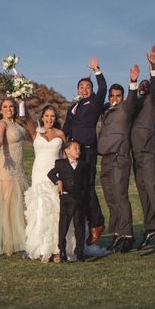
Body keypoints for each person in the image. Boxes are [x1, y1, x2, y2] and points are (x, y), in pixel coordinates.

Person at [62, 57, 107, 245]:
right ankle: (84, 227)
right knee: (78, 189)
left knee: (87, 186)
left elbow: (103, 88)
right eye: (81, 87)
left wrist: (97, 71)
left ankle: (97, 223)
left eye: (87, 87)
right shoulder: (73, 105)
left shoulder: (94, 103)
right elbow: (66, 126)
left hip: (87, 150)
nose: (84, 89)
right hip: (72, 152)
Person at [98, 64, 139, 253]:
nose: (115, 98)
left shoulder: (126, 109)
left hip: (119, 158)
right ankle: (117, 234)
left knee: (121, 197)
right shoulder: (106, 111)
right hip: (105, 159)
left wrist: (132, 81)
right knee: (110, 198)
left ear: (122, 97)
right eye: (112, 96)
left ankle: (128, 235)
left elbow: (132, 99)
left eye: (118, 95)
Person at [131, 46, 155, 251]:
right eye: (142, 85)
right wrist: (134, 82)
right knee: (143, 192)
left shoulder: (152, 102)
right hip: (135, 153)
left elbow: (154, 86)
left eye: (146, 83)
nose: (144, 86)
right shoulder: (134, 103)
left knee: (153, 190)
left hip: (147, 150)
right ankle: (150, 229)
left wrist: (153, 67)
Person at [0, 98, 29, 256]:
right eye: (5, 107)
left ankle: (19, 240)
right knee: (8, 203)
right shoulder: (2, 123)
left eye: (11, 106)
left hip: (18, 167)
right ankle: (7, 242)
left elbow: (27, 119)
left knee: (19, 203)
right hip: (5, 165)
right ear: (0, 110)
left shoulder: (18, 124)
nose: (9, 109)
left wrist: (22, 101)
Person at [24, 105, 67, 263]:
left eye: (52, 116)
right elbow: (26, 117)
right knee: (41, 210)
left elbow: (65, 156)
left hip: (55, 175)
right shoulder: (36, 132)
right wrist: (22, 99)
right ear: (42, 117)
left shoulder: (60, 134)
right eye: (47, 116)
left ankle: (57, 249)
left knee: (56, 210)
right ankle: (43, 249)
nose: (49, 119)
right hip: (39, 174)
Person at [48, 140, 89, 263]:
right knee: (64, 224)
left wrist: (83, 195)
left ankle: (80, 250)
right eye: (75, 148)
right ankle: (62, 250)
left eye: (79, 149)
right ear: (67, 150)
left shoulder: (83, 165)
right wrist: (58, 181)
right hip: (66, 199)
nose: (78, 151)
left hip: (79, 200)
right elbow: (51, 174)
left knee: (79, 225)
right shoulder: (60, 163)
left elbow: (86, 183)